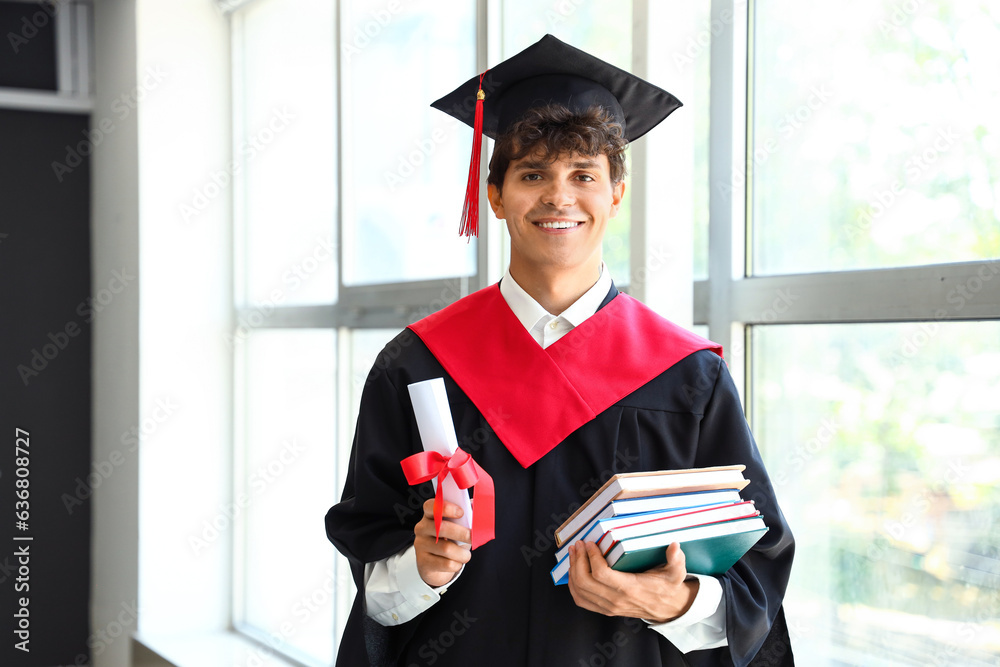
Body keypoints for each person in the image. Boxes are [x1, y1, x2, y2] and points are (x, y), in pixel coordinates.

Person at [326, 34, 794, 667]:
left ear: (615, 195)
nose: (558, 197)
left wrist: (673, 601)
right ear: (495, 195)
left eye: (583, 175)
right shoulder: (415, 364)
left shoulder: (687, 377)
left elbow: (753, 581)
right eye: (532, 174)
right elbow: (372, 575)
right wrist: (421, 569)